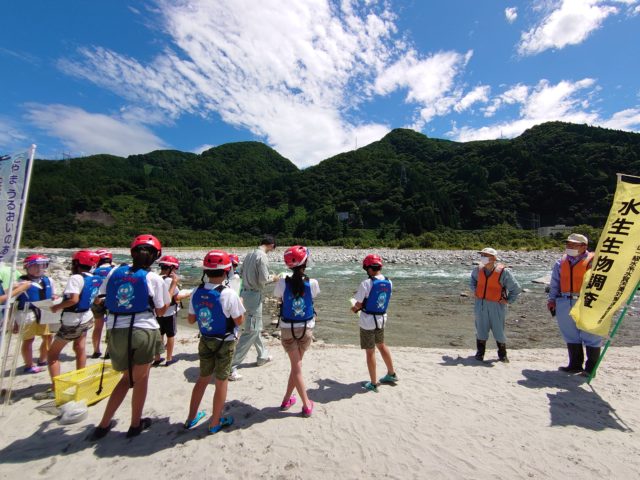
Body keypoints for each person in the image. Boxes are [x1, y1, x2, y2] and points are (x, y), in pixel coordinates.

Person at [89, 234, 170, 440]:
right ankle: (123, 424)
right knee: (132, 379)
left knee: (136, 377)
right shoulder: (153, 278)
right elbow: (161, 311)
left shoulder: (115, 271)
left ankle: (115, 423)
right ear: (156, 256)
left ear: (132, 252)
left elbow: (100, 298)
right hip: (144, 330)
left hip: (116, 330)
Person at [184, 250, 245, 433]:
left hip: (205, 340)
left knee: (203, 378)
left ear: (205, 271)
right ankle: (215, 422)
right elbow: (239, 321)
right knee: (221, 380)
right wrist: (241, 303)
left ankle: (191, 417)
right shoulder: (229, 293)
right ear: (227, 271)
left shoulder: (196, 291)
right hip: (225, 342)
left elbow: (190, 320)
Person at [39, 250, 102, 399]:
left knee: (52, 354)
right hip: (87, 317)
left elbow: (73, 300)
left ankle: (56, 389)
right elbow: (97, 300)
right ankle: (81, 381)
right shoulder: (95, 278)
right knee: (80, 348)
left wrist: (56, 306)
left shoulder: (75, 278)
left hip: (72, 320)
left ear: (77, 264)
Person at [547, 233, 602, 375]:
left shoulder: (594, 261)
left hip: (587, 301)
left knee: (590, 334)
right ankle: (575, 365)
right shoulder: (561, 262)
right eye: (568, 244)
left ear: (584, 246)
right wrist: (551, 300)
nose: (569, 247)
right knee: (570, 334)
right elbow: (555, 283)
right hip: (564, 300)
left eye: (574, 245)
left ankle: (590, 369)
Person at [273, 246, 318, 417]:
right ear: (304, 262)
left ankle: (287, 399)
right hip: (306, 328)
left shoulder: (282, 282)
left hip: (287, 328)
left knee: (295, 366)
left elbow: (279, 297)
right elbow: (313, 297)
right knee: (297, 366)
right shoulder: (312, 282)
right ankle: (306, 404)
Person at [229, 236, 278, 381]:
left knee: (255, 325)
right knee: (252, 330)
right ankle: (231, 366)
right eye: (273, 248)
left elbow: (242, 273)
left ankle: (262, 355)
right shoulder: (262, 257)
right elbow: (263, 280)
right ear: (271, 245)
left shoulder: (250, 254)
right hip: (254, 294)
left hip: (244, 292)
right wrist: (275, 278)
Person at [351, 254, 397, 393]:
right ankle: (391, 373)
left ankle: (373, 383)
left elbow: (358, 304)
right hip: (381, 319)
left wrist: (353, 308)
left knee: (370, 351)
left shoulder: (366, 283)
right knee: (381, 345)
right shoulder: (389, 282)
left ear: (368, 268)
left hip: (367, 321)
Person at [470, 247, 521, 362]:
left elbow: (516, 289)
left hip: (497, 306)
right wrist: (475, 291)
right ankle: (480, 353)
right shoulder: (478, 270)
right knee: (481, 329)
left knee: (499, 330)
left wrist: (508, 300)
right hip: (480, 304)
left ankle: (502, 354)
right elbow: (472, 281)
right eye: (482, 255)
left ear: (493, 258)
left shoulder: (504, 272)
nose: (482, 257)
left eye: (485, 255)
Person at [14, 254, 55, 374]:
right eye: (35, 266)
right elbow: (13, 302)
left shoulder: (48, 280)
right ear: (27, 267)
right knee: (28, 340)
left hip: (45, 311)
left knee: (48, 336)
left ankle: (43, 359)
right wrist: (14, 322)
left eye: (42, 266)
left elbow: (51, 294)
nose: (39, 269)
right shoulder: (21, 282)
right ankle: (29, 364)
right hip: (27, 314)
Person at [153, 255, 186, 367]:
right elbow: (176, 297)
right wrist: (187, 294)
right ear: (171, 268)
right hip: (169, 313)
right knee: (170, 335)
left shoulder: (155, 278)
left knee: (159, 335)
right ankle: (169, 358)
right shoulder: (170, 281)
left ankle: (157, 357)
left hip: (156, 313)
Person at [91, 249, 114, 359]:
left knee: (97, 326)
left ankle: (96, 350)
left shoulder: (94, 271)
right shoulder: (114, 270)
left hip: (96, 299)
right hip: (110, 300)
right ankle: (109, 350)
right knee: (110, 326)